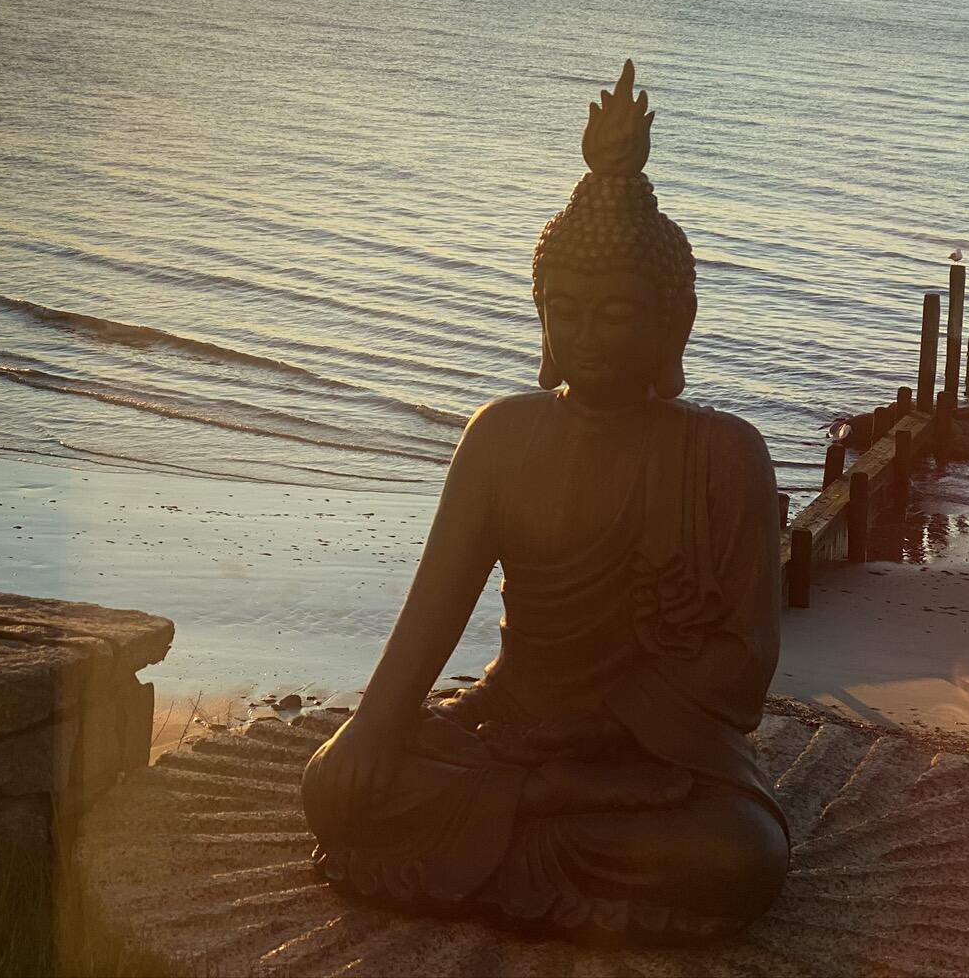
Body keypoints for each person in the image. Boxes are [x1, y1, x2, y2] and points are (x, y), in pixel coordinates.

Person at [302, 61, 790, 940]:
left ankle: (515, 822)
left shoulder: (724, 455)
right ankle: (544, 809)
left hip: (650, 755)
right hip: (517, 733)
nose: (587, 336)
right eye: (565, 311)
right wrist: (372, 730)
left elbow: (744, 662)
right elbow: (432, 611)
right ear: (539, 316)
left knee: (741, 854)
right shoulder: (501, 435)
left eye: (615, 315)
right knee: (331, 791)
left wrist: (595, 726)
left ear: (673, 322)